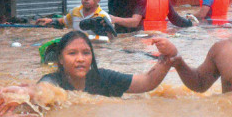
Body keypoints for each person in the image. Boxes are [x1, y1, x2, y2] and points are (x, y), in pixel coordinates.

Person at [37, 30, 178, 96]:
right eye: (72, 53)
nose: (80, 59)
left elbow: (147, 82)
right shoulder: (52, 81)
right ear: (60, 59)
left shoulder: (103, 78)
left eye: (86, 53)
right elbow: (40, 91)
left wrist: (169, 55)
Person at [37, 0, 112, 32]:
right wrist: (50, 21)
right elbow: (63, 22)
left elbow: (110, 38)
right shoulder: (75, 11)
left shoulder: (103, 17)